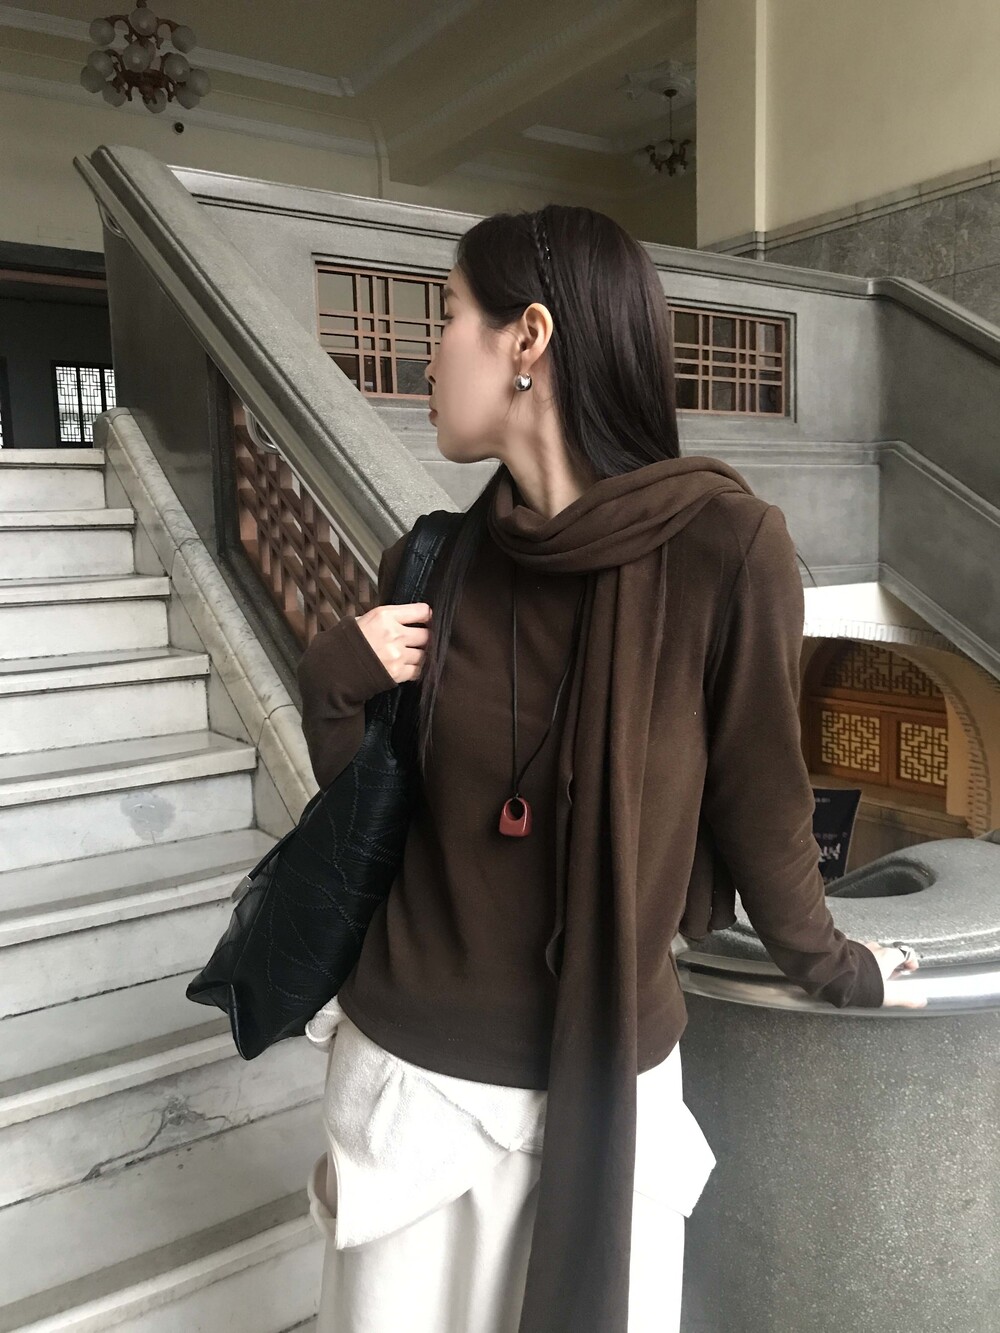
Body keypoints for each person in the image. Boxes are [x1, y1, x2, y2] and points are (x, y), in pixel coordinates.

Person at [295, 205, 923, 1333]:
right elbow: (367, 830)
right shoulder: (430, 562)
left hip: (611, 1095)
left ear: (528, 338)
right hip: (412, 1094)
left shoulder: (726, 550)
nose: (427, 353)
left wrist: (834, 962)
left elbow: (762, 796)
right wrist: (334, 678)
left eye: (449, 315)